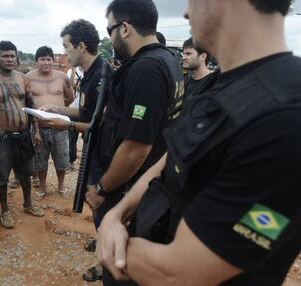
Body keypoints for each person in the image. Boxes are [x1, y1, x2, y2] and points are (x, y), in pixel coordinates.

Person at [96, 0, 301, 285]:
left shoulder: (285, 115)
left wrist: (111, 240)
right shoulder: (221, 83)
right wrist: (118, 213)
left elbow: (180, 274)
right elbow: (170, 161)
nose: (185, 12)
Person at [81, 0, 183, 285]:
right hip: (151, 190)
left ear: (124, 28)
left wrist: (102, 188)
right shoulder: (167, 59)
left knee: (122, 269)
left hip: (134, 191)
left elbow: (137, 147)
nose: (110, 37)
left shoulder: (146, 69)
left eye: (110, 29)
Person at [38, 19, 111, 282]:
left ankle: (104, 264)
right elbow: (87, 112)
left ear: (81, 46)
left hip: (104, 154)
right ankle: (102, 242)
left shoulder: (104, 75)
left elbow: (101, 124)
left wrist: (64, 123)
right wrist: (59, 110)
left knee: (101, 205)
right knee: (95, 207)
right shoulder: (90, 75)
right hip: (93, 150)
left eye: (66, 47)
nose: (65, 52)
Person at [0, 41, 45, 229]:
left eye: (12, 56)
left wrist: (36, 131)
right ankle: (5, 210)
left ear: (16, 57)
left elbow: (31, 106)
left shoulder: (23, 78)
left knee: (26, 172)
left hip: (23, 135)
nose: (9, 59)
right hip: (1, 137)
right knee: (1, 176)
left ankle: (28, 203)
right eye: (5, 56)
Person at [24, 46, 74, 196]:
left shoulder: (62, 77)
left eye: (49, 59)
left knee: (62, 158)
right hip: (38, 127)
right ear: (36, 61)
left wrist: (58, 109)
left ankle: (61, 186)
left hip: (60, 126)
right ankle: (43, 186)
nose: (46, 62)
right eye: (42, 59)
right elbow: (25, 100)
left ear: (53, 61)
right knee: (40, 159)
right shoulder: (28, 78)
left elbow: (70, 98)